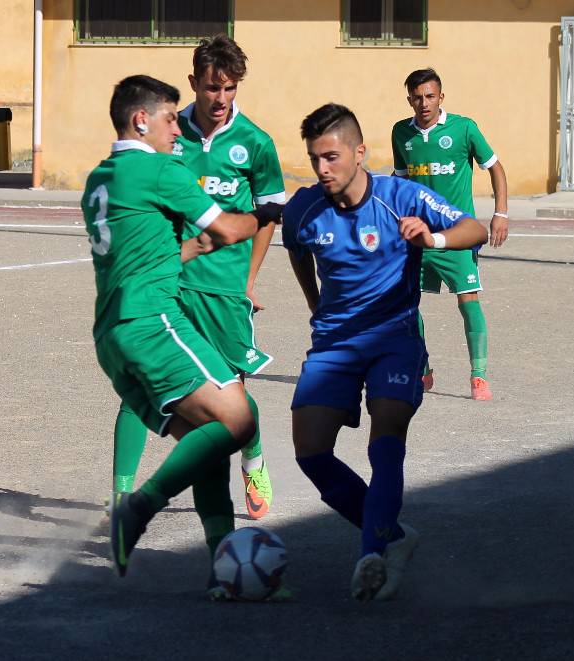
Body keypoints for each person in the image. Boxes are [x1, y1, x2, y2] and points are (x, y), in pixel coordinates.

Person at [81, 74, 281, 596]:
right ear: (141, 120)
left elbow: (148, 249)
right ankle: (138, 508)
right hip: (153, 321)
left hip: (112, 333)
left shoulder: (101, 177)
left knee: (203, 440)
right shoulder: (159, 168)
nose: (178, 128)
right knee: (241, 417)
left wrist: (189, 251)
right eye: (171, 118)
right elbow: (230, 229)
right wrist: (272, 210)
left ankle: (225, 567)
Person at [282, 104, 488, 601]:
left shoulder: (402, 197)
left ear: (359, 153)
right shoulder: (305, 208)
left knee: (386, 435)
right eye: (314, 159)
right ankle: (395, 535)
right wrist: (315, 305)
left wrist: (431, 235)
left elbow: (474, 229)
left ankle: (371, 553)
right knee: (310, 452)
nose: (322, 169)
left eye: (331, 157)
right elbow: (295, 247)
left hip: (394, 336)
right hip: (333, 341)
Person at [108, 35, 283, 522]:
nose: (220, 99)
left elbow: (267, 218)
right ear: (193, 84)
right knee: (142, 387)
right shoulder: (168, 133)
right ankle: (121, 497)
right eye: (211, 88)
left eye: (229, 88)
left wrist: (247, 281)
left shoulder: (256, 143)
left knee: (233, 392)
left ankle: (254, 462)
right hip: (170, 284)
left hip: (224, 288)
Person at [391, 68, 509, 400]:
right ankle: (424, 369)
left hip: (458, 234)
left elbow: (495, 168)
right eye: (417, 97)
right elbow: (400, 181)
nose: (423, 103)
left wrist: (500, 214)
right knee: (406, 305)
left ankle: (479, 376)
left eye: (430, 96)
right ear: (409, 99)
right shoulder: (401, 133)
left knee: (468, 299)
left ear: (441, 97)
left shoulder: (464, 128)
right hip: (419, 234)